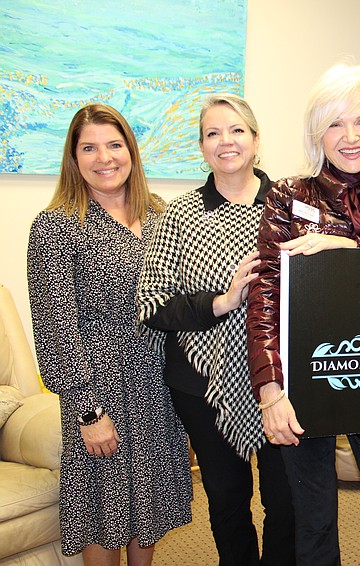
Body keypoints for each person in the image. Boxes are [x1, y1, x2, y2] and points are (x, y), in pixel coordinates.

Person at [246, 63, 360, 566]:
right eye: (335, 123)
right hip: (306, 377)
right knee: (315, 520)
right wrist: (270, 391)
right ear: (317, 132)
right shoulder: (288, 194)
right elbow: (265, 296)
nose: (350, 137)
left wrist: (347, 247)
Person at [27, 104, 192, 565]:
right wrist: (88, 411)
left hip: (158, 387)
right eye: (89, 148)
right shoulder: (56, 226)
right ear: (73, 158)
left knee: (150, 506)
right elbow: (56, 329)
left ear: (131, 151)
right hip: (100, 390)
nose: (105, 158)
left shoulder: (159, 213)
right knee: (104, 510)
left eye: (114, 145)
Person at [136, 94, 296, 566]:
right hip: (204, 386)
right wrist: (222, 302)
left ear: (256, 140)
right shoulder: (179, 215)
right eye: (213, 133)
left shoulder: (292, 206)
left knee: (288, 501)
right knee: (227, 503)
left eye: (237, 130)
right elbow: (152, 304)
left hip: (282, 380)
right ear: (202, 147)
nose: (226, 141)